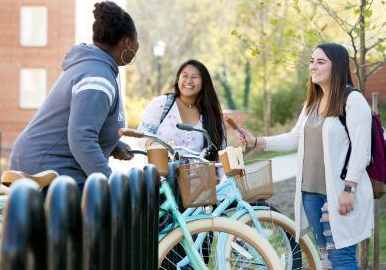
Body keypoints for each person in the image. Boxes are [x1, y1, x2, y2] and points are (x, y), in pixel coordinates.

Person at [238, 43, 373, 269]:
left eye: (321, 62)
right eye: (312, 61)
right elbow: (295, 137)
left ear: (337, 67)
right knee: (326, 259)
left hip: (339, 193)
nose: (313, 67)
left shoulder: (352, 100)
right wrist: (256, 141)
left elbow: (362, 150)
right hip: (311, 194)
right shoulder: (313, 102)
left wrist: (349, 189)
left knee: (341, 257)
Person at [9, 1, 138, 190]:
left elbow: (82, 123)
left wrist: (114, 144)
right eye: (136, 39)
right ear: (127, 42)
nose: (137, 46)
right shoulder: (97, 77)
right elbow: (81, 137)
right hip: (49, 167)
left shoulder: (97, 68)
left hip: (59, 165)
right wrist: (110, 183)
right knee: (109, 212)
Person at [137, 59, 225, 162]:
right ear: (178, 79)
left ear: (203, 82)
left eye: (194, 77)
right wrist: (156, 146)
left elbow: (220, 154)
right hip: (161, 176)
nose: (188, 81)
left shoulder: (211, 114)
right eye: (185, 76)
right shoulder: (162, 104)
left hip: (200, 177)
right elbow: (140, 136)